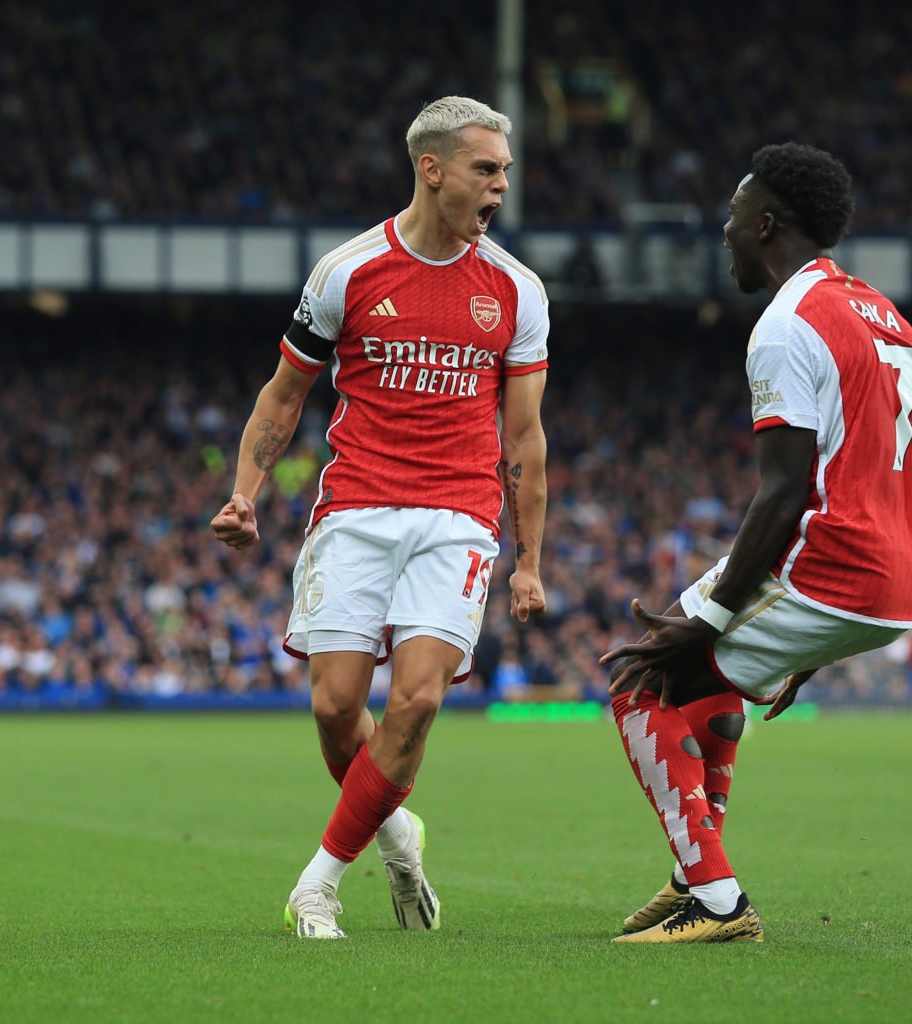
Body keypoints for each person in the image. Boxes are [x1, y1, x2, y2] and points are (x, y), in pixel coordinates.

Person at [210, 96, 550, 938]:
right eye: (486, 168)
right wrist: (246, 490)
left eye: (504, 170)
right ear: (431, 169)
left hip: (458, 516)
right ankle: (398, 838)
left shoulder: (516, 289)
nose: (501, 185)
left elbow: (526, 437)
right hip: (356, 506)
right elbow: (284, 395)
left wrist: (532, 561)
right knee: (335, 709)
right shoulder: (347, 272)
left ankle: (317, 884)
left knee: (418, 700)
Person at [600, 143, 912, 943]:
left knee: (641, 680)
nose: (724, 232)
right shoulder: (886, 314)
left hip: (836, 561)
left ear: (768, 223)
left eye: (734, 217)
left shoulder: (785, 325)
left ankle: (716, 900)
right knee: (699, 683)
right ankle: (693, 873)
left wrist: (713, 620)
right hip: (899, 572)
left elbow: (784, 490)